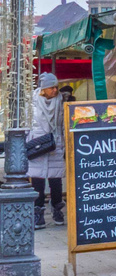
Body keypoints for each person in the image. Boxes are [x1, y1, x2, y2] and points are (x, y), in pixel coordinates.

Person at [29, 72, 65, 229]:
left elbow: (63, 125)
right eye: (52, 88)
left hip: (55, 145)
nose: (55, 91)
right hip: (37, 145)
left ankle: (57, 208)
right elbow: (26, 125)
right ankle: (38, 212)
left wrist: (64, 143)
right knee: (37, 181)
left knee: (56, 180)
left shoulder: (60, 102)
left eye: (56, 87)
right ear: (43, 88)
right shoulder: (32, 103)